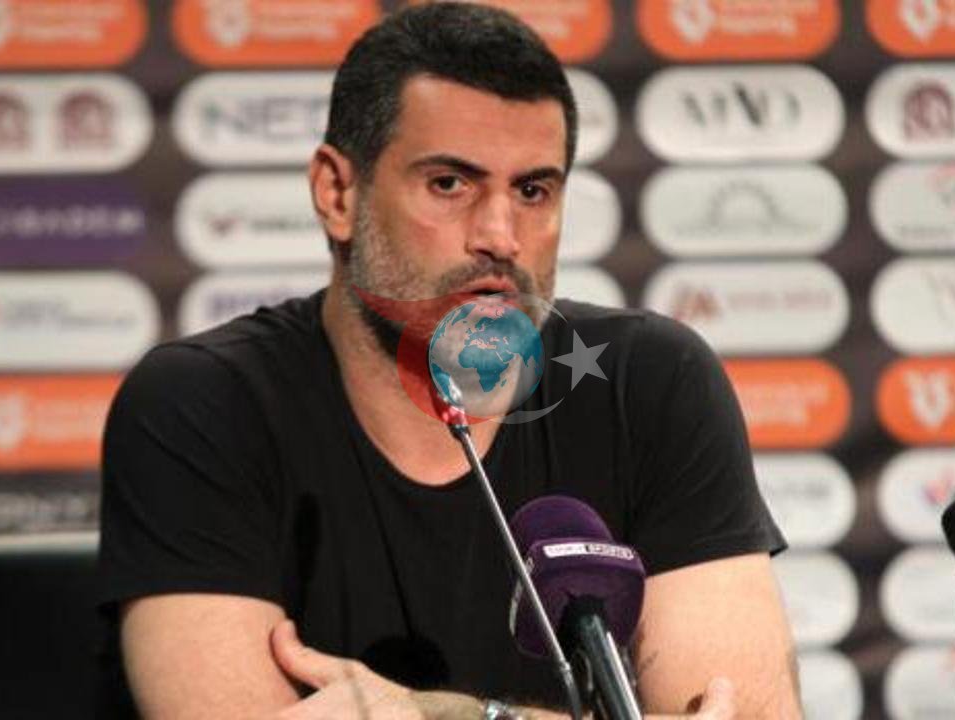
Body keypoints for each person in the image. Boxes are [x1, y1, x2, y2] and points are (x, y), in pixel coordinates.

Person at [97, 4, 800, 718]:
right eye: (449, 184)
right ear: (337, 194)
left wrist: (444, 715)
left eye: (532, 191)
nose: (500, 236)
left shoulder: (649, 382)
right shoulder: (203, 403)